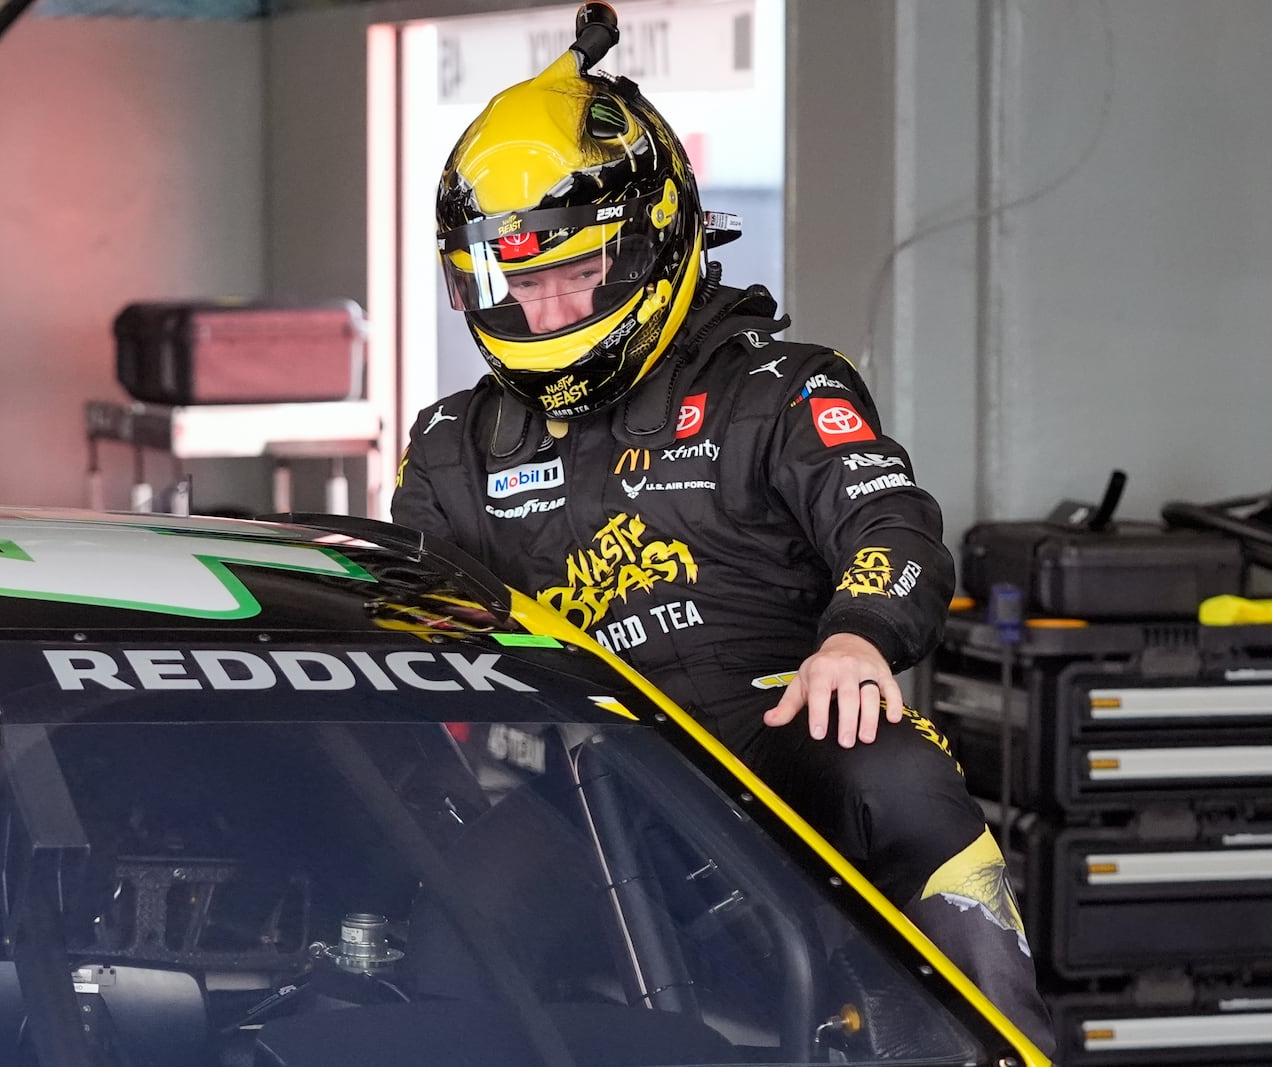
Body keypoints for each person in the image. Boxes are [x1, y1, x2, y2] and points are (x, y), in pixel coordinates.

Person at [389, 12, 1054, 1057]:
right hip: (573, 779)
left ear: (656, 237)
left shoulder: (781, 388)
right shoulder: (452, 446)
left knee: (896, 775)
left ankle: (999, 1044)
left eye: (579, 270)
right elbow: (397, 636)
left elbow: (893, 524)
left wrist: (857, 639)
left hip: (778, 746)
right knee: (443, 909)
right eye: (521, 278)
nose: (550, 301)